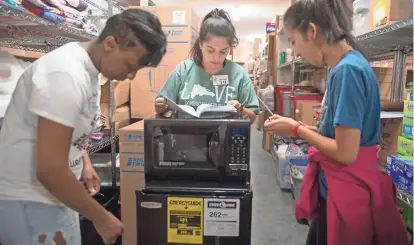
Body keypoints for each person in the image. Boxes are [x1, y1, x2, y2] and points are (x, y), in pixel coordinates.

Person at [0, 9, 166, 245]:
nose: (131, 76)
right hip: (29, 201)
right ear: (110, 44)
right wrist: (102, 217)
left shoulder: (90, 69)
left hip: (54, 196)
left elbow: (66, 129)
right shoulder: (65, 75)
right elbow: (49, 170)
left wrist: (83, 162)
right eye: (131, 65)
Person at [264, 0, 409, 245]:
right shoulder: (347, 66)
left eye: (294, 41)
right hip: (338, 188)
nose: (296, 52)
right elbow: (340, 135)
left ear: (312, 31)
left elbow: (345, 152)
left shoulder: (347, 71)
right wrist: (294, 126)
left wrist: (297, 128)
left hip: (345, 193)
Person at [154, 8, 259, 122]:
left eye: (223, 51)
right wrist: (160, 105)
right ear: (200, 44)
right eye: (210, 50)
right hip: (186, 135)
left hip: (226, 136)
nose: (217, 58)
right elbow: (160, 107)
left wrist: (241, 109)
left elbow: (252, 116)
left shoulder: (239, 74)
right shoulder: (183, 69)